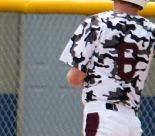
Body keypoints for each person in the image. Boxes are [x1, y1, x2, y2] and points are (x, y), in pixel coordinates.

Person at [59, 0, 155, 136]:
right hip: (132, 121)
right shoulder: (150, 30)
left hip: (103, 115)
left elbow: (75, 78)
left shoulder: (97, 22)